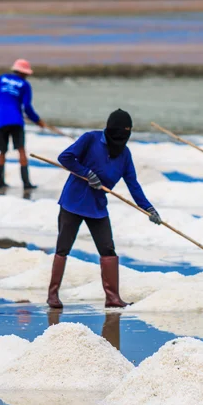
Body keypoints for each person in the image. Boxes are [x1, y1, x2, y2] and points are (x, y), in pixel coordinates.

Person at [47, 108, 161, 310]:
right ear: (110, 130)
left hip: (97, 207)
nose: (122, 138)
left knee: (107, 248)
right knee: (63, 247)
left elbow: (133, 184)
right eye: (120, 132)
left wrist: (149, 208)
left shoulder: (124, 154)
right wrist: (87, 173)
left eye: (127, 133)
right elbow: (65, 157)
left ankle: (113, 297)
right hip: (73, 202)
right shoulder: (90, 139)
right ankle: (53, 295)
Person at [0, 59, 48, 189]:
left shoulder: (2, 79)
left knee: (2, 152)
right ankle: (26, 183)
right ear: (24, 73)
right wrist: (38, 121)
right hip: (16, 120)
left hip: (1, 120)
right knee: (21, 150)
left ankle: (0, 182)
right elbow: (27, 107)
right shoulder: (24, 84)